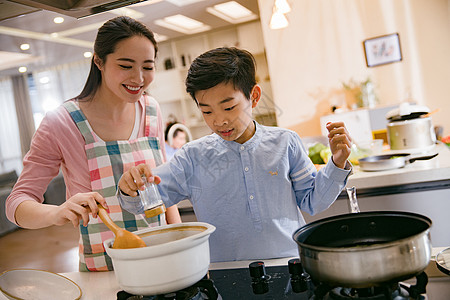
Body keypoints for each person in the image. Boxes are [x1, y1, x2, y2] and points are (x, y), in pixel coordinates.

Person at [117, 47, 352, 262]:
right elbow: (146, 202)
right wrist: (130, 188)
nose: (219, 120)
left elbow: (313, 202)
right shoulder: (192, 157)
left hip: (290, 264)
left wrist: (337, 162)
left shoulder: (285, 142)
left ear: (255, 96)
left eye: (229, 107)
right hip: (225, 273)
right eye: (207, 111)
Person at [5, 16, 181, 272]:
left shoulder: (151, 109)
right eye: (126, 65)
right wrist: (57, 212)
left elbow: (164, 187)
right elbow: (15, 203)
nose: (139, 78)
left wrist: (179, 239)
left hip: (163, 255)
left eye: (147, 66)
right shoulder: (62, 122)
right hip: (105, 267)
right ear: (98, 61)